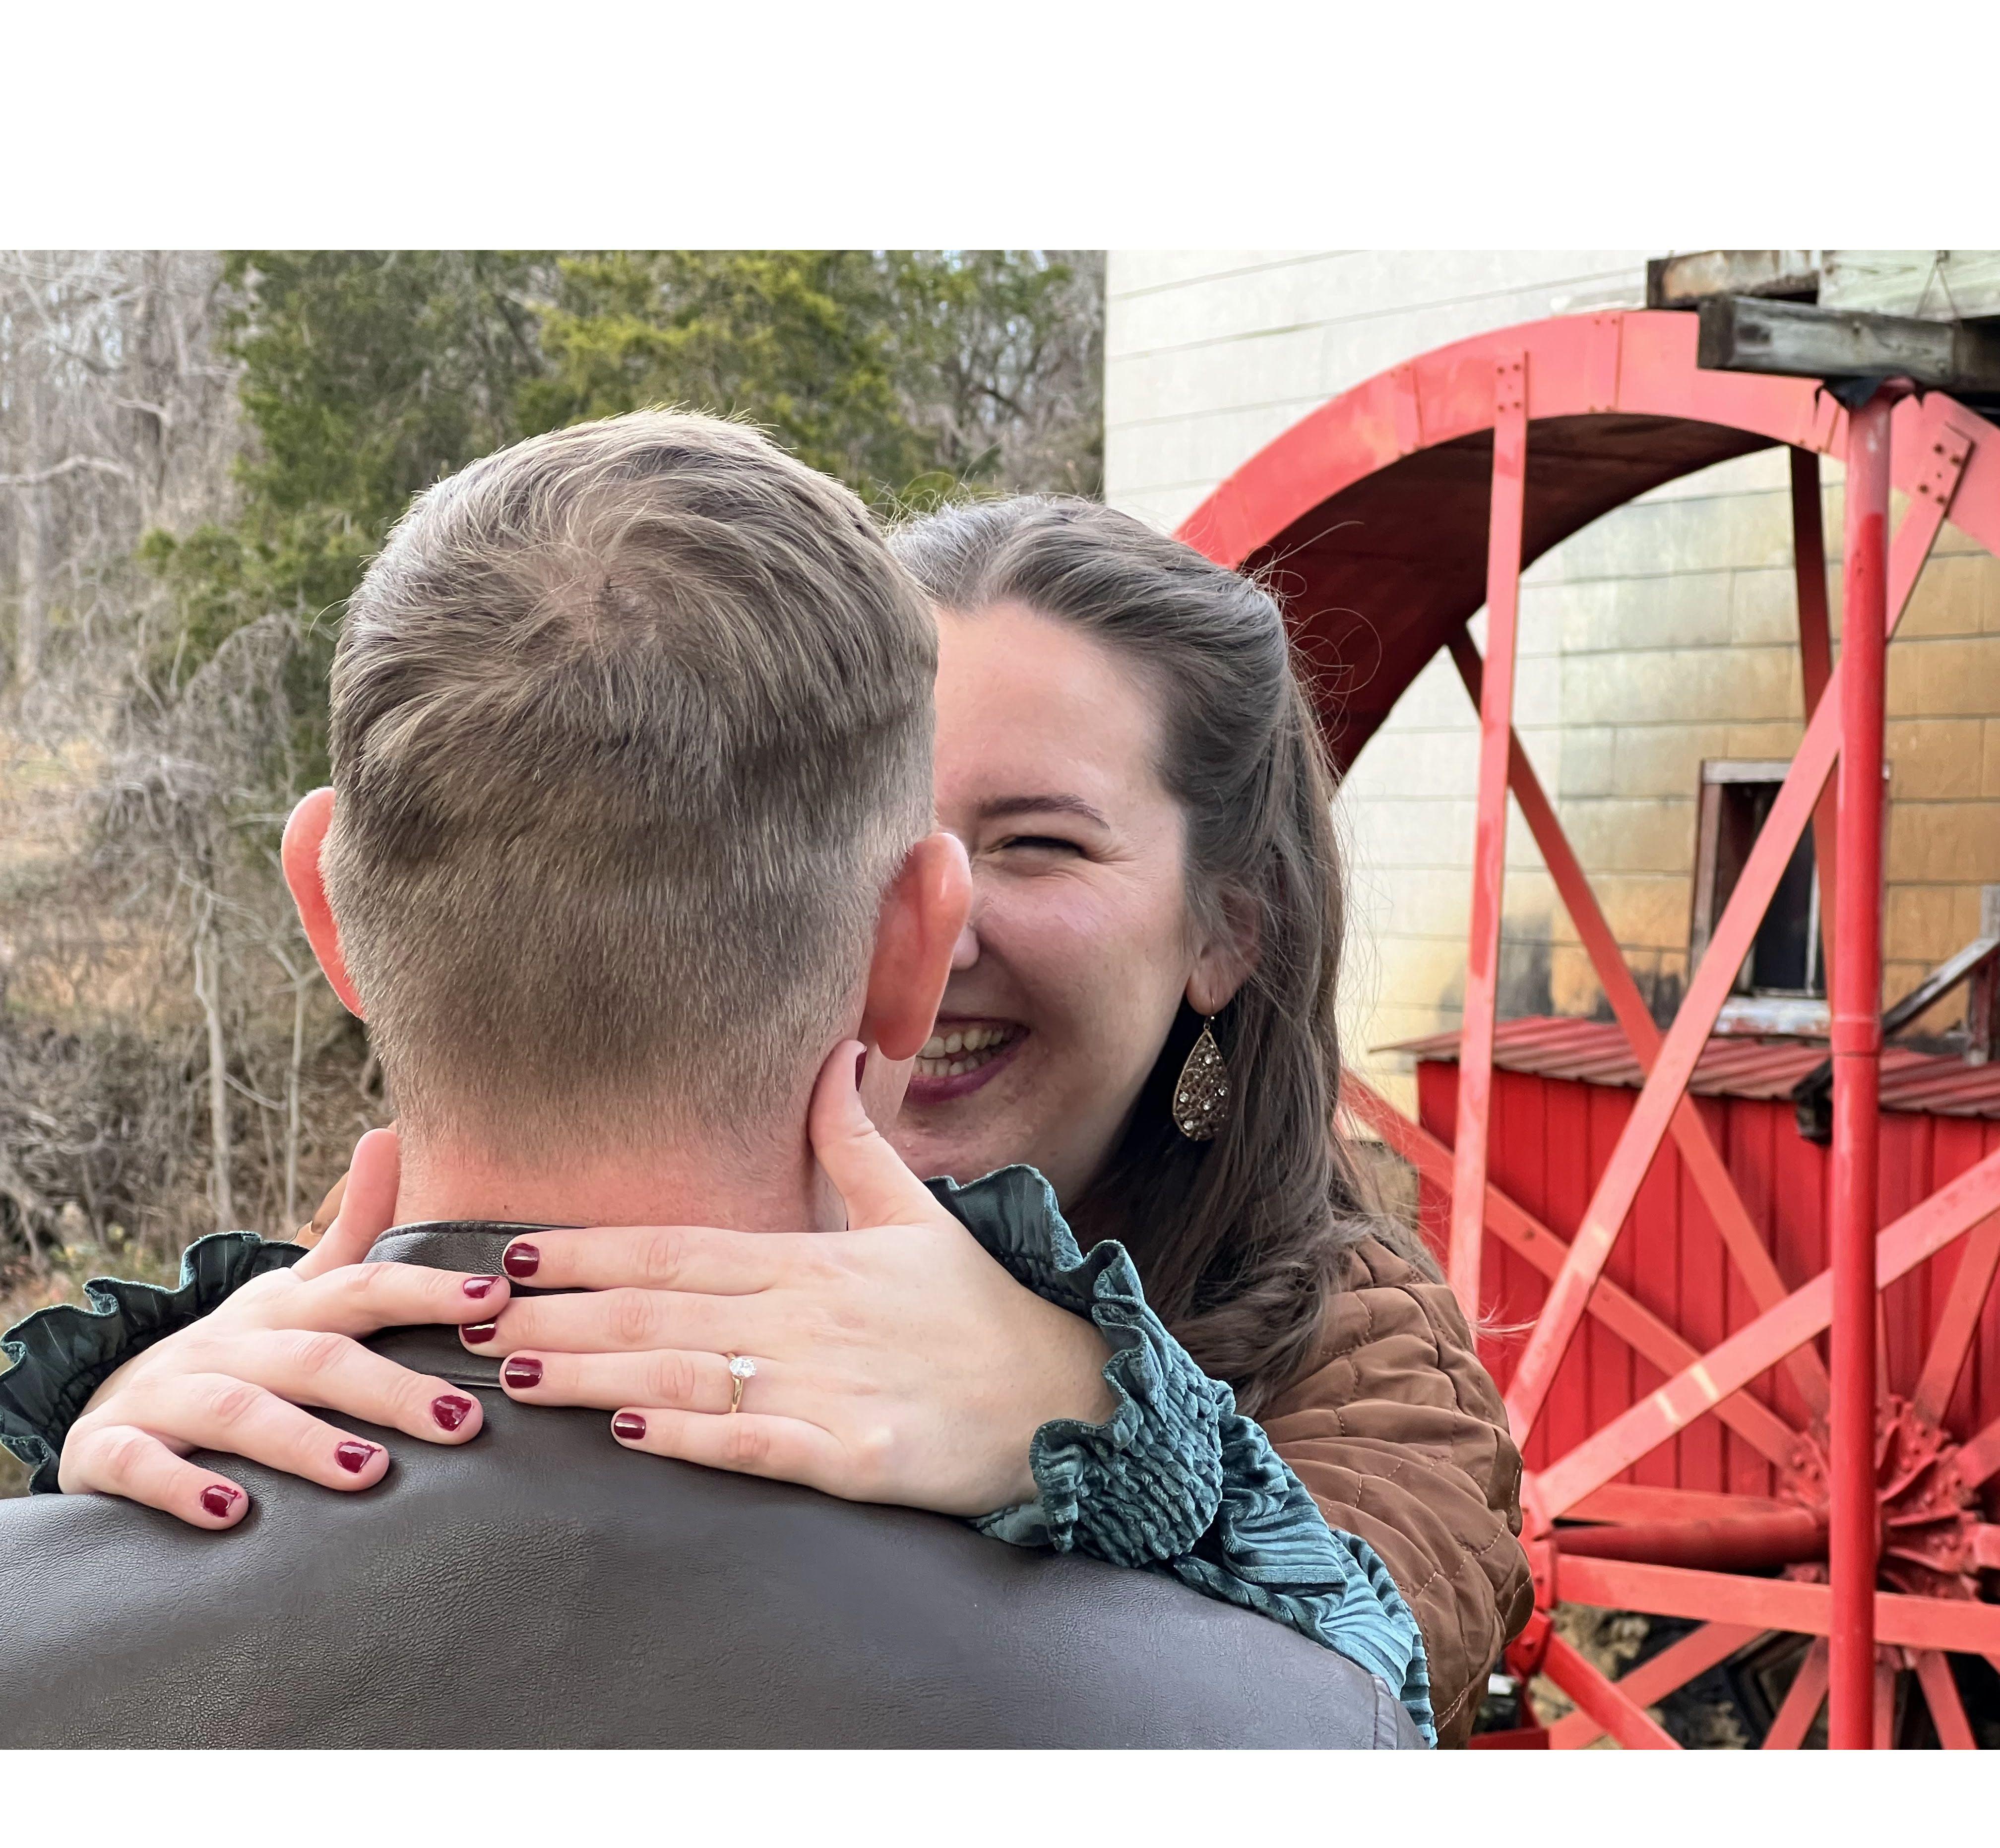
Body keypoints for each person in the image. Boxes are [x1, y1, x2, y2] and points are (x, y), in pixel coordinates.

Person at [1, 483, 1529, 1748]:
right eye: (880, 832)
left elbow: (1348, 1701)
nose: (952, 938)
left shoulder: (1348, 1352)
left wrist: (1108, 1425)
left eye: (1045, 844)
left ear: (1226, 931)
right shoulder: (480, 1256)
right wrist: (141, 1432)